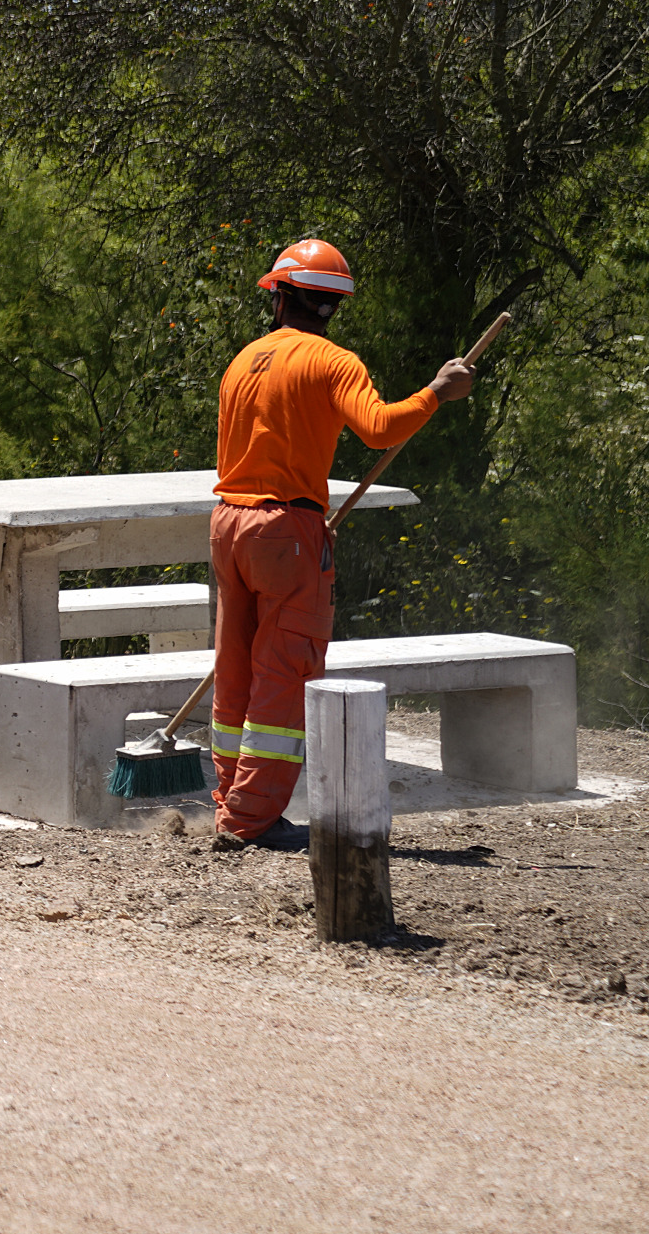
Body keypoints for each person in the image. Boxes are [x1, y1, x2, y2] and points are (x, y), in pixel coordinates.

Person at [207, 238, 475, 850]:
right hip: (287, 533)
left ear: (278, 295)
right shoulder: (333, 362)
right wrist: (437, 391)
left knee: (236, 665)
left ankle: (230, 799)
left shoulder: (243, 360)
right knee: (284, 670)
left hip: (229, 523)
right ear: (333, 306)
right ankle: (250, 820)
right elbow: (380, 427)